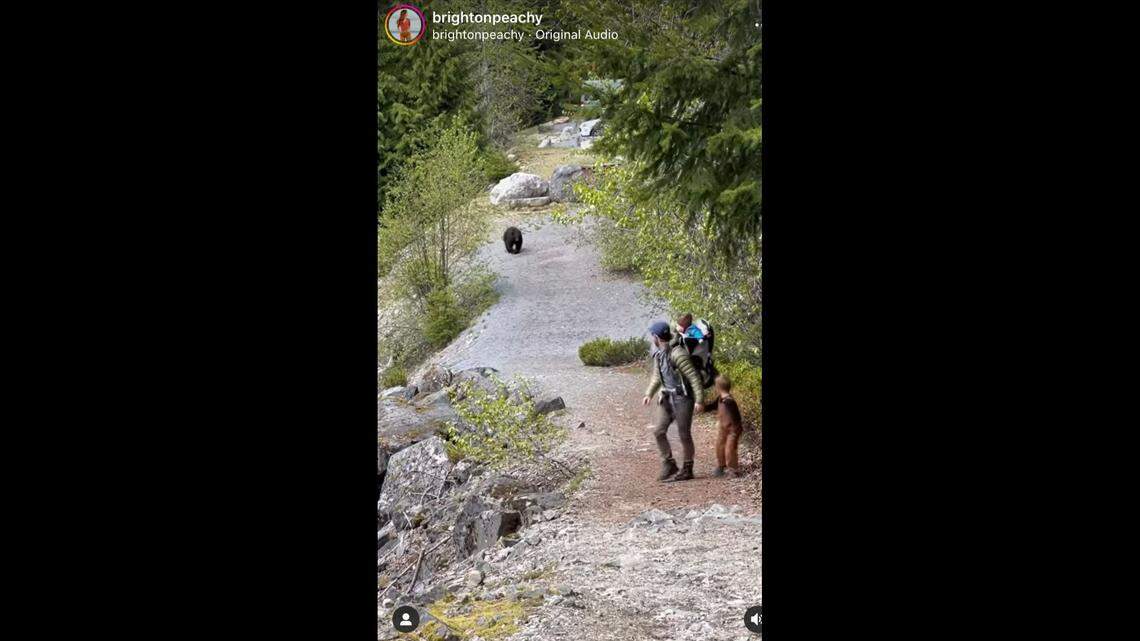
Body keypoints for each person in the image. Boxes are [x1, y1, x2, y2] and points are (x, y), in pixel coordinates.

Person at [642, 321, 706, 482]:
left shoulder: (678, 354)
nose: (652, 339)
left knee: (684, 434)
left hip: (683, 398)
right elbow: (658, 375)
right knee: (659, 431)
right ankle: (669, 463)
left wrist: (699, 399)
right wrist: (649, 393)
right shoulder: (659, 353)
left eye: (652, 336)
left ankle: (687, 468)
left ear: (657, 337)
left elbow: (693, 377)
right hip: (667, 397)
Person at [712, 375, 744, 477]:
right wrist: (703, 407)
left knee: (730, 449)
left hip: (732, 429)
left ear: (717, 387)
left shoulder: (729, 401)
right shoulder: (720, 398)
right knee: (719, 446)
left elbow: (736, 417)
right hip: (723, 428)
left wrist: (736, 430)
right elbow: (711, 406)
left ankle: (733, 469)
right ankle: (721, 466)